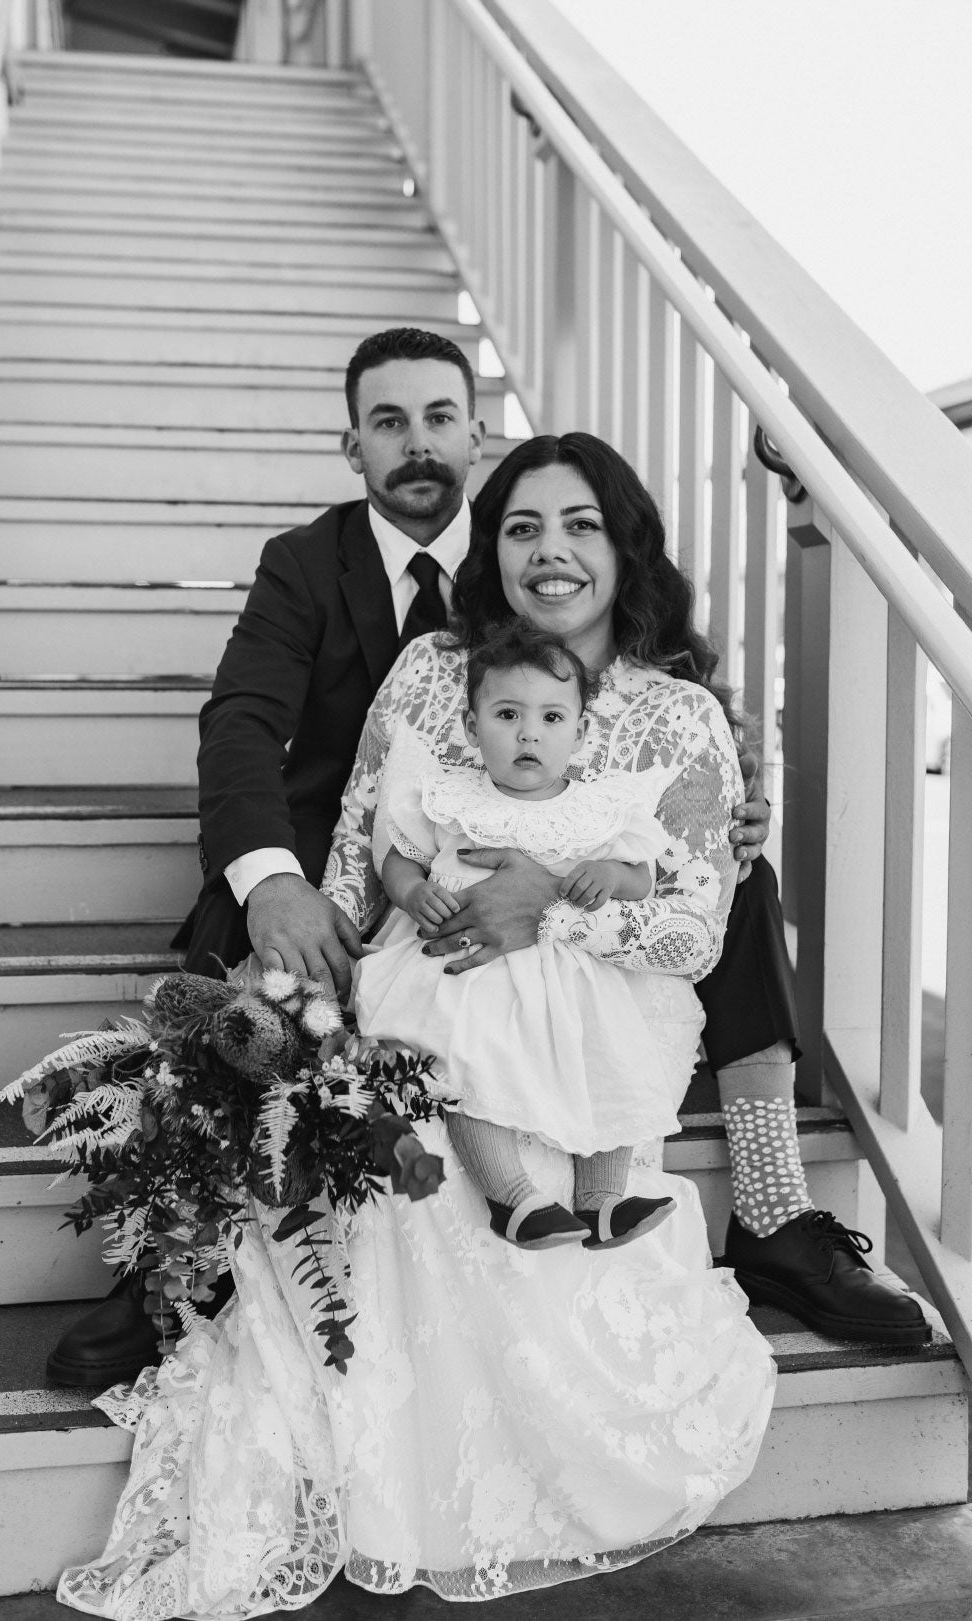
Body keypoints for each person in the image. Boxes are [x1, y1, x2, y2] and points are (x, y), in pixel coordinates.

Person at [46, 326, 924, 1389]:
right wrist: (295, 884)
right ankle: (188, 1243)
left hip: (586, 958)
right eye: (389, 421)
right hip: (363, 864)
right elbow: (256, 737)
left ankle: (776, 1209)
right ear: (358, 447)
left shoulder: (667, 694)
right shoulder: (376, 622)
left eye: (579, 526)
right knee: (262, 938)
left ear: (474, 438)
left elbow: (680, 872)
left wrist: (642, 858)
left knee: (748, 883)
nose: (548, 548)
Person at [57, 435, 778, 1616]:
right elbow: (356, 855)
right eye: (523, 527)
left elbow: (696, 929)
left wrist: (545, 905)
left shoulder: (681, 715)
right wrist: (303, 1018)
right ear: (489, 549)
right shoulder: (429, 674)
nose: (551, 551)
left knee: (523, 1168)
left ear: (625, 543)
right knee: (405, 1148)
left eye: (582, 524)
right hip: (425, 1014)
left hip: (581, 1037)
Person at [358, 618, 680, 1250]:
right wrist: (412, 891)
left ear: (581, 732)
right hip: (468, 970)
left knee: (607, 1061)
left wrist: (610, 874)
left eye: (552, 719)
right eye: (507, 714)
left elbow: (645, 878)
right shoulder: (450, 797)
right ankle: (513, 1200)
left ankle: (604, 1201)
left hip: (563, 976)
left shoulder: (597, 808)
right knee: (466, 1064)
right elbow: (397, 855)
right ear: (473, 727)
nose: (529, 733)